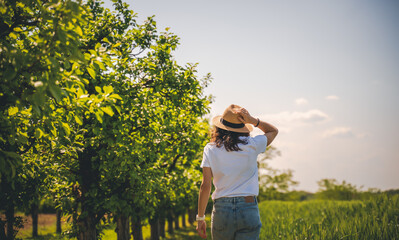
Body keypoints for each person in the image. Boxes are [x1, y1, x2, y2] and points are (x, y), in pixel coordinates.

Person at [196, 104, 278, 240]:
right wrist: (253, 120)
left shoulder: (210, 149)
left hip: (222, 208)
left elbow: (205, 186)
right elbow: (273, 131)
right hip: (248, 206)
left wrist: (200, 218)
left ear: (220, 127)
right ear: (243, 127)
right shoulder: (252, 144)